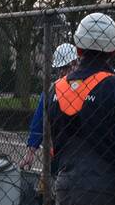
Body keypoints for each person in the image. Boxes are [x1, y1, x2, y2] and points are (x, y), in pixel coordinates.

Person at [48, 13, 115, 205]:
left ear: (78, 47)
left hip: (65, 187)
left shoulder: (56, 90)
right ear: (113, 49)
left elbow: (54, 147)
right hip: (107, 194)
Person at [19, 42, 79, 171]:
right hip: (58, 156)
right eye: (60, 68)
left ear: (75, 64)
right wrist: (30, 152)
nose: (62, 72)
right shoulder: (52, 90)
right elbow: (39, 121)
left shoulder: (86, 88)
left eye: (66, 67)